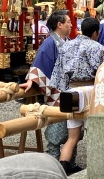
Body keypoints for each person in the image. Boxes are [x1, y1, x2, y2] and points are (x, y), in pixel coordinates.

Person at [50, 17, 104, 174]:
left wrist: (60, 95)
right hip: (91, 92)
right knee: (95, 134)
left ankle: (60, 172)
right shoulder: (98, 48)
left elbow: (58, 73)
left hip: (70, 93)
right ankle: (96, 172)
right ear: (95, 33)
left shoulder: (66, 46)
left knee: (72, 138)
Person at [22, 10, 72, 160]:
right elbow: (40, 63)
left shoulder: (68, 41)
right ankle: (53, 158)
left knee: (73, 126)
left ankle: (69, 160)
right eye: (68, 22)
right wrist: (32, 79)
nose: (71, 25)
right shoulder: (49, 43)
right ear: (60, 25)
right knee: (57, 124)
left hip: (69, 87)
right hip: (57, 90)